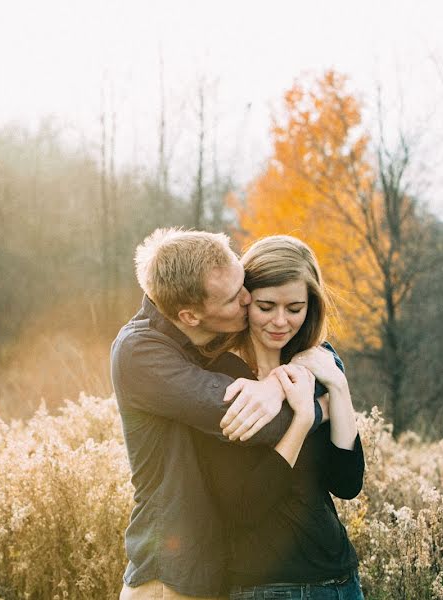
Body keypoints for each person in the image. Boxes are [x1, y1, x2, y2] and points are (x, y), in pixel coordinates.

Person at [111, 228, 335, 599]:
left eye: (243, 284)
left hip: (216, 573)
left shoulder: (212, 335)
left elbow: (314, 353)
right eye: (234, 298)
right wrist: (321, 406)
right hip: (170, 580)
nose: (249, 300)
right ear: (191, 315)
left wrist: (275, 384)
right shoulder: (142, 353)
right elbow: (262, 423)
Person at [197, 235, 364, 599]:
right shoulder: (220, 378)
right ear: (244, 302)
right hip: (265, 587)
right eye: (266, 306)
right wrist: (302, 421)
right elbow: (244, 507)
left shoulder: (318, 366)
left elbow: (347, 483)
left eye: (294, 308)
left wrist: (338, 387)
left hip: (341, 582)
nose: (280, 321)